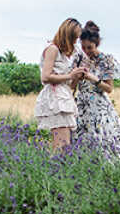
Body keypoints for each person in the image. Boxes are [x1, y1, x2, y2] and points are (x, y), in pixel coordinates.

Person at [73, 20, 120, 157]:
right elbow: (72, 86)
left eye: (90, 47)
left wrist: (92, 78)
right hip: (82, 106)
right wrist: (76, 76)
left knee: (104, 141)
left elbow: (109, 88)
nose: (86, 51)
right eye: (83, 47)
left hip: (99, 108)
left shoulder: (106, 60)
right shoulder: (78, 58)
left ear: (97, 44)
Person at [35, 18, 85, 151]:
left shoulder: (67, 54)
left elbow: (70, 84)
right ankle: (56, 170)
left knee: (65, 145)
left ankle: (60, 170)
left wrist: (76, 76)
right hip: (55, 100)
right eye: (74, 38)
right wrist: (70, 75)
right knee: (61, 146)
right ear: (67, 35)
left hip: (65, 96)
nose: (75, 42)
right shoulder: (52, 49)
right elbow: (45, 76)